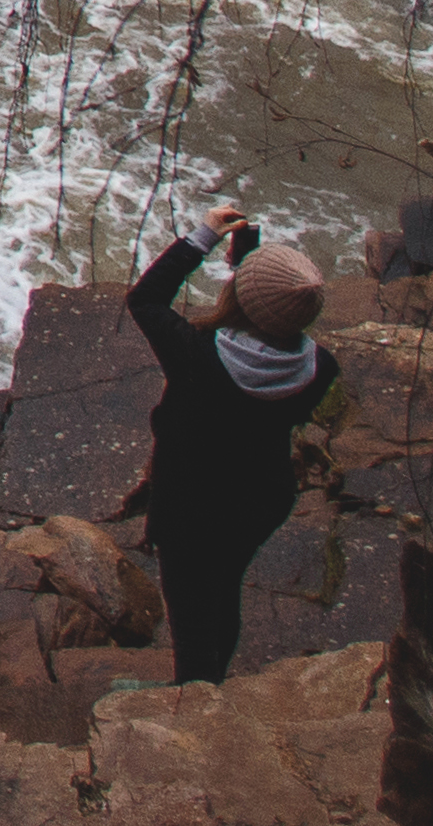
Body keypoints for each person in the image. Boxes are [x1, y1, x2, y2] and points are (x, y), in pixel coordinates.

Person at [127, 203, 335, 683]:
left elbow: (145, 301)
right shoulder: (318, 368)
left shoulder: (197, 357)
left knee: (192, 620)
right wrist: (250, 265)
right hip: (260, 501)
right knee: (223, 591)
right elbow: (267, 322)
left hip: (191, 509)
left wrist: (203, 237)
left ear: (239, 297)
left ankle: (195, 707)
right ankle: (209, 679)